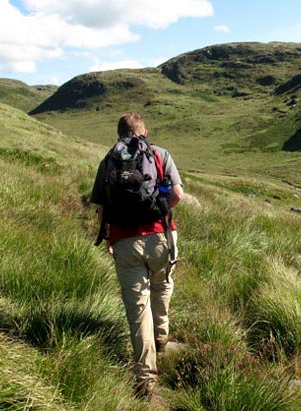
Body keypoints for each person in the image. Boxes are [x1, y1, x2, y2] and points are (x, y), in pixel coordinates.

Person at [90, 112, 184, 399]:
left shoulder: (108, 160)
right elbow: (177, 195)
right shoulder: (159, 154)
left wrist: (109, 236)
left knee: (137, 310)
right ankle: (162, 336)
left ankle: (145, 380)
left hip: (124, 243)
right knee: (162, 284)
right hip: (161, 236)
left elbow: (102, 208)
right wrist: (158, 213)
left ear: (119, 134)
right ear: (144, 130)